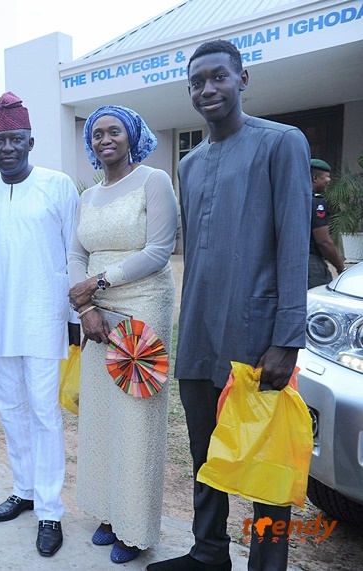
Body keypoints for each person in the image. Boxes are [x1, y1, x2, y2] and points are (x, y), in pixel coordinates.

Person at [147, 40, 311, 571]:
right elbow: (197, 252)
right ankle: (209, 552)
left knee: (266, 464)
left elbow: (294, 245)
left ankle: (267, 564)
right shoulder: (190, 165)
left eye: (218, 76)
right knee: (205, 449)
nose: (207, 89)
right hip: (198, 330)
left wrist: (287, 339)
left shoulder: (281, 142)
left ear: (243, 79)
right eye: (196, 82)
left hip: (257, 334)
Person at [68, 105, 177, 564]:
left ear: (133, 136)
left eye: (114, 131)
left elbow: (160, 249)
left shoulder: (155, 181)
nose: (105, 139)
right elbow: (75, 255)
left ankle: (135, 529)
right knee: (101, 415)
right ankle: (110, 513)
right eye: (97, 134)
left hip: (141, 309)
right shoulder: (89, 196)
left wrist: (98, 282)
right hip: (96, 314)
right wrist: (86, 307)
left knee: (136, 417)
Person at [0, 92, 78, 557]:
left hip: (44, 317)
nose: (8, 148)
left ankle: (50, 510)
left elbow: (74, 253)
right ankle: (25, 489)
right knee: (9, 409)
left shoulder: (58, 186)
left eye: (15, 139)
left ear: (30, 141)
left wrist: (73, 317)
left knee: (44, 414)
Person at [308, 158, 345, 288]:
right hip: (311, 264)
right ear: (315, 178)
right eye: (326, 176)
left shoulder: (293, 198)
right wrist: (340, 268)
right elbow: (323, 242)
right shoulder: (316, 202)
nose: (329, 180)